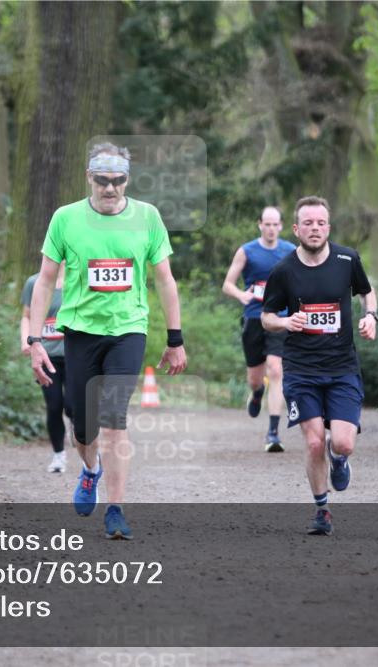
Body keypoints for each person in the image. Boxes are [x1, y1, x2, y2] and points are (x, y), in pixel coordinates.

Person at [27, 142, 188, 540]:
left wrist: (175, 338)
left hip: (128, 330)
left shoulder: (147, 217)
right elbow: (46, 280)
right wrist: (33, 340)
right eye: (102, 180)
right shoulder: (66, 219)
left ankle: (115, 510)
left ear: (127, 179)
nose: (110, 188)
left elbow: (165, 279)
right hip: (80, 332)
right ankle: (90, 469)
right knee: (83, 429)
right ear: (89, 178)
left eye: (118, 181)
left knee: (114, 419)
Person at [261, 196, 378, 536]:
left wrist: (371, 316)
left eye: (321, 223)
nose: (315, 229)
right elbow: (267, 317)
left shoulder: (347, 259)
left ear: (329, 227)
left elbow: (367, 293)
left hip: (342, 368)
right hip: (301, 369)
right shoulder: (283, 270)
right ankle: (321, 509)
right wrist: (285, 323)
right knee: (313, 443)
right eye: (308, 223)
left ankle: (339, 459)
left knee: (342, 443)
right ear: (296, 229)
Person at [222, 207, 296, 452]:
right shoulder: (247, 251)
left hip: (279, 318)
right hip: (254, 317)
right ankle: (256, 393)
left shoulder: (290, 251)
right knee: (255, 378)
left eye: (275, 224)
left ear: (281, 226)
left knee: (276, 370)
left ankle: (273, 433)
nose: (271, 228)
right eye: (267, 224)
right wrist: (241, 294)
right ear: (260, 225)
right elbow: (227, 284)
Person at [20, 263, 72, 473]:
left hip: (75, 355)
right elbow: (27, 316)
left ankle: (84, 437)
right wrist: (26, 340)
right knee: (53, 406)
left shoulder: (79, 281)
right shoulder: (35, 282)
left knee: (73, 406)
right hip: (47, 356)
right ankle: (59, 455)